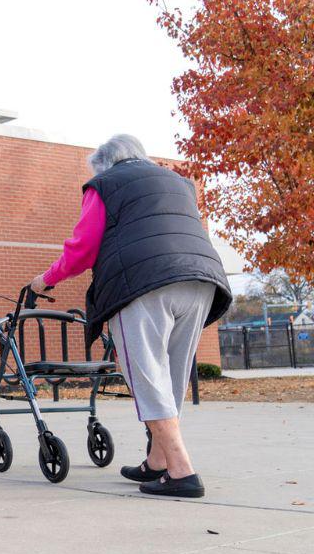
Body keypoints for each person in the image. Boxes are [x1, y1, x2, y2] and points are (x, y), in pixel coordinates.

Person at [30, 134, 231, 498]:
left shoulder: (104, 184)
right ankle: (158, 462)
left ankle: (183, 471)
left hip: (144, 283)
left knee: (147, 377)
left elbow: (83, 249)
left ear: (105, 164)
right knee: (170, 375)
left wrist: (47, 278)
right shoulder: (179, 183)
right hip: (202, 280)